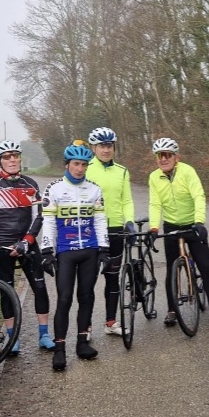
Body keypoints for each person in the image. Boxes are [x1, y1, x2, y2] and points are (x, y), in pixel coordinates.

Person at [0, 140, 55, 355]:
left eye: (15, 156)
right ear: (0, 161)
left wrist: (26, 241)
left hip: (27, 244)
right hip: (2, 245)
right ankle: (13, 338)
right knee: (7, 291)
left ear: (20, 158)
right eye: (6, 157)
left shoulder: (30, 184)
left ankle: (44, 334)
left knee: (40, 287)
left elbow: (38, 216)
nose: (12, 160)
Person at [41, 141, 110, 371]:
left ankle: (82, 343)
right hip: (65, 252)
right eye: (76, 164)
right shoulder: (54, 188)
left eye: (84, 165)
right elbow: (49, 221)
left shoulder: (94, 189)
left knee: (87, 296)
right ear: (67, 164)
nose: (80, 169)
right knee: (64, 299)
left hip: (89, 250)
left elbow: (100, 220)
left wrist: (104, 248)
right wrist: (47, 250)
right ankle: (60, 349)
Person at [148, 138, 209, 327]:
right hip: (171, 226)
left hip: (192, 224)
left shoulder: (187, 171)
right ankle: (172, 310)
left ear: (176, 157)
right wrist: (154, 227)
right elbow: (155, 204)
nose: (163, 159)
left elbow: (198, 196)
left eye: (167, 155)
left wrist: (199, 222)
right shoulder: (154, 177)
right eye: (159, 155)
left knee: (205, 265)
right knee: (171, 270)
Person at [85, 127, 136, 339]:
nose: (106, 150)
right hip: (91, 231)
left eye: (109, 146)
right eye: (101, 146)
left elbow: (126, 200)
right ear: (93, 148)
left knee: (113, 278)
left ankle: (111, 322)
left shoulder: (122, 171)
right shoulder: (85, 168)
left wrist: (129, 222)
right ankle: (85, 327)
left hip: (115, 230)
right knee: (88, 280)